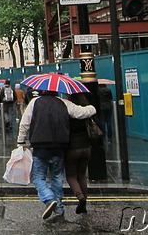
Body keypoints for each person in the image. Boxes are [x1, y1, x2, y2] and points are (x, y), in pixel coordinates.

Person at [16, 90, 96, 221]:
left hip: (40, 147)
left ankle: (49, 198)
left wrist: (20, 142)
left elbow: (25, 123)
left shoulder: (34, 102)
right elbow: (81, 113)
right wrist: (93, 107)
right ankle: (59, 209)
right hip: (59, 147)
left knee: (38, 177)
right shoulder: (64, 103)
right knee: (57, 178)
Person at [65, 93, 93, 215]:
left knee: (71, 176)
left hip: (72, 148)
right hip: (86, 147)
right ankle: (84, 204)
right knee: (82, 175)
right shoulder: (86, 110)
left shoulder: (69, 112)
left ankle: (80, 197)